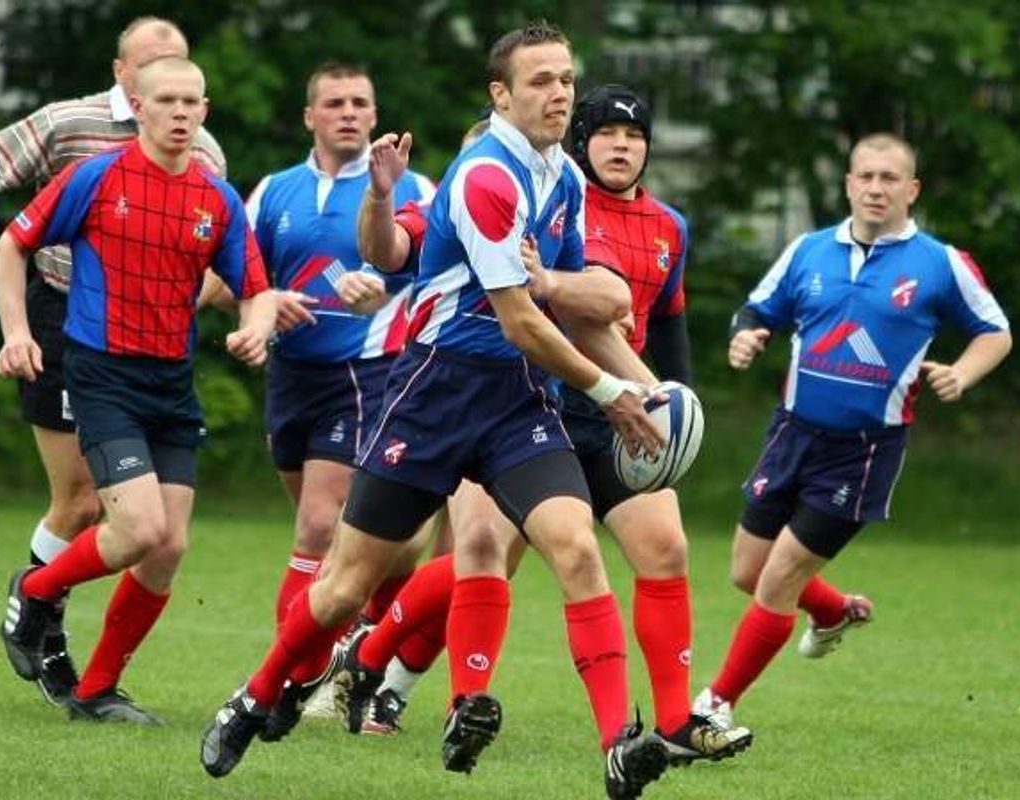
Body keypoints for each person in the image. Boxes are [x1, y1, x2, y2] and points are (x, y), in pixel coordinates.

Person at [201, 23, 671, 800]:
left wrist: (647, 388)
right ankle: (255, 697)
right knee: (347, 587)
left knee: (576, 549)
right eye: (540, 82)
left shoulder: (561, 177)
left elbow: (582, 311)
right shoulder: (488, 175)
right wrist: (609, 394)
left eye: (565, 79)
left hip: (517, 400)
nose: (559, 95)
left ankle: (618, 745)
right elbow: (518, 317)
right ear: (501, 94)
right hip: (434, 394)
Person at [334, 84, 754, 765]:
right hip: (526, 405)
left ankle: (676, 720)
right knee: (482, 554)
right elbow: (528, 293)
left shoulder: (666, 225)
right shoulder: (541, 194)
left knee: (666, 548)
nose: (623, 145)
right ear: (578, 141)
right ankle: (392, 669)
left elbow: (639, 313)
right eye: (608, 133)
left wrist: (670, 401)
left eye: (636, 135)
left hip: (616, 415)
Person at [0, 16, 225, 704]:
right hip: (67, 320)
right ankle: (44, 626)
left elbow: (219, 250)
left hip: (155, 348)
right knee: (79, 502)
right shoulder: (69, 124)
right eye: (152, 67)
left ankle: (74, 655)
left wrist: (205, 301)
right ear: (122, 73)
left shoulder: (203, 150)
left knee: (157, 537)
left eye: (182, 71)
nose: (171, 88)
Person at [692, 132, 1011, 727]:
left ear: (911, 190)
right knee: (747, 570)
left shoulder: (940, 264)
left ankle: (714, 706)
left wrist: (963, 373)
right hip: (790, 435)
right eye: (865, 176)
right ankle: (834, 610)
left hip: (862, 453)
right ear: (847, 183)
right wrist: (746, 334)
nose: (875, 188)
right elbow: (757, 309)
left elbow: (996, 330)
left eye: (890, 178)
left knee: (780, 577)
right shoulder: (808, 250)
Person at [0, 56, 274, 724]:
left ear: (205, 112)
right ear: (139, 107)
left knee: (168, 547)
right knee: (140, 528)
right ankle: (36, 591)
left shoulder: (217, 198)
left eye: (191, 102)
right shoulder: (96, 177)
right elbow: (11, 246)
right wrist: (15, 331)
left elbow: (255, 290)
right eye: (166, 100)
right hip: (103, 375)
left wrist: (254, 329)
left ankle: (95, 690)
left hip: (171, 382)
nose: (180, 112)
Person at [242, 62, 436, 640]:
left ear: (375, 116)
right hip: (290, 376)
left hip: (368, 376)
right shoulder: (275, 191)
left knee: (319, 527)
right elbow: (233, 281)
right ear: (309, 117)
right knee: (352, 539)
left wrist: (386, 289)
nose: (348, 113)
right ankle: (361, 637)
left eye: (359, 102)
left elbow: (444, 280)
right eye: (334, 103)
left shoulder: (415, 190)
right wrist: (265, 302)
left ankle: (285, 678)